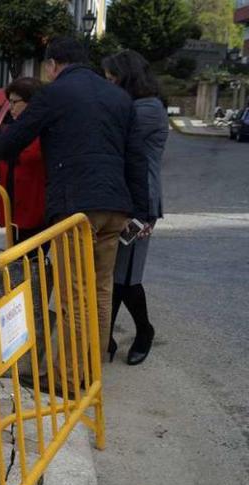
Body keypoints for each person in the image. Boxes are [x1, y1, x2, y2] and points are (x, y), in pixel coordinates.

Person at [0, 36, 150, 367]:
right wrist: (140, 212)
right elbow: (137, 158)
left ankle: (71, 376)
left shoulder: (54, 93)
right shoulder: (119, 97)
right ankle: (93, 369)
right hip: (115, 208)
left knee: (74, 295)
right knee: (101, 291)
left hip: (76, 209)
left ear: (52, 65)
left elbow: (17, 135)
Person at [102, 50, 168, 365]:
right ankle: (106, 340)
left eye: (111, 78)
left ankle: (144, 331)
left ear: (126, 78)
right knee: (115, 273)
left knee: (127, 277)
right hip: (121, 197)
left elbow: (113, 135)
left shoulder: (148, 109)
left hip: (141, 203)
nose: (107, 84)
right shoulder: (132, 106)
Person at [0, 77, 47, 246]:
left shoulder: (44, 132)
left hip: (35, 211)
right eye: (9, 102)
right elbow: (5, 162)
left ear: (30, 103)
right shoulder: (10, 130)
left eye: (15, 102)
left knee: (32, 261)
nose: (10, 108)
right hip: (12, 209)